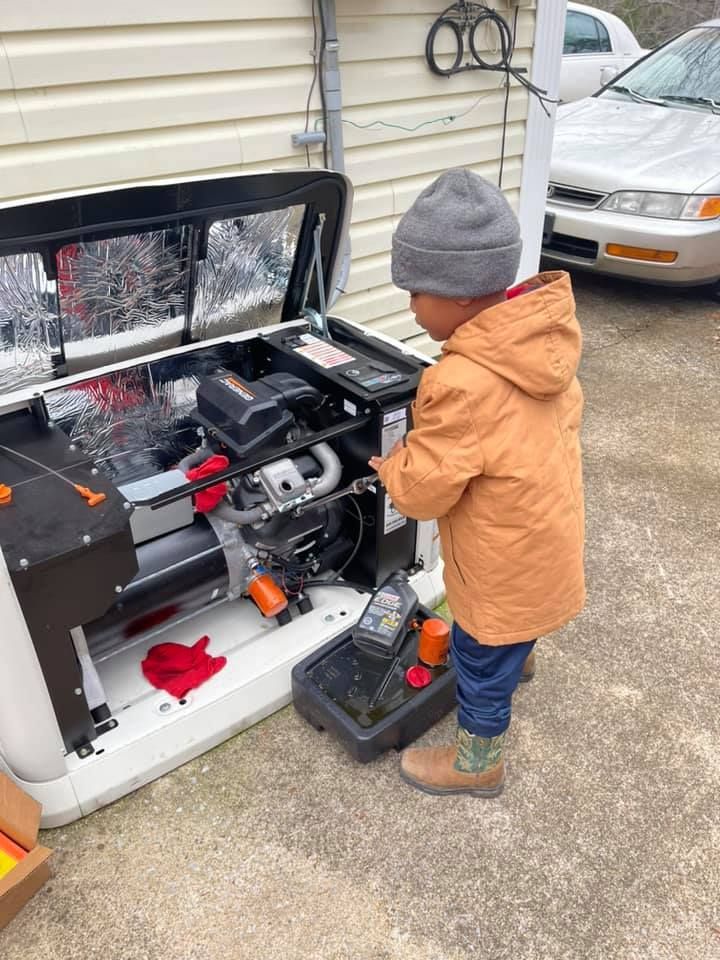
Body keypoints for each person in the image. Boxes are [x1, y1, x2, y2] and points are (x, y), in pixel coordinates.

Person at [369, 169, 585, 798]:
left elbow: (424, 492)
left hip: (500, 559)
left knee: (480, 656)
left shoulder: (461, 382)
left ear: (460, 296)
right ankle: (520, 654)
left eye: (416, 292)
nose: (410, 306)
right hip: (546, 532)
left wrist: (394, 465)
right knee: (518, 621)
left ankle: (477, 762)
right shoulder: (543, 342)